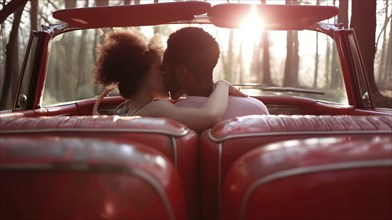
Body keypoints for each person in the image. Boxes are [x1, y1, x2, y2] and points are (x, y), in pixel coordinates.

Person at [93, 29, 244, 132]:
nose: (166, 74)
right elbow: (210, 116)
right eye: (161, 70)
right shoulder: (157, 109)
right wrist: (222, 85)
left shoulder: (126, 111)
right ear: (143, 76)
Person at [160, 27, 269, 119]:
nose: (163, 76)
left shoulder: (166, 115)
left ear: (181, 72)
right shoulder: (257, 109)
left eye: (164, 70)